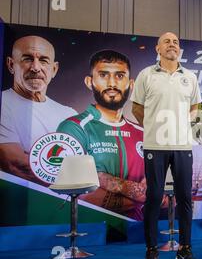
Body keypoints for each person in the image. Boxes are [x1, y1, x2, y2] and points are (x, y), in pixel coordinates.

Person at [57, 50, 159, 220]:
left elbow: (161, 193)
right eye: (103, 75)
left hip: (138, 233)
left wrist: (104, 180)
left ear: (131, 84)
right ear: (90, 82)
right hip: (89, 235)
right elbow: (80, 196)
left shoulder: (143, 133)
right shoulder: (74, 128)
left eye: (120, 76)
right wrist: (141, 195)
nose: (112, 83)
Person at [131, 32, 202, 259]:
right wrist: (154, 127)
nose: (172, 45)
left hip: (183, 146)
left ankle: (185, 250)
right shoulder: (146, 75)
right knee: (153, 197)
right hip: (155, 145)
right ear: (157, 48)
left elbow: (195, 106)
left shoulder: (190, 77)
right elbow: (137, 108)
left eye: (176, 42)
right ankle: (151, 252)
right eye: (167, 42)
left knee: (185, 198)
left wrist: (181, 126)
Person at [0, 35, 77, 182]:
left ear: (54, 69)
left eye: (43, 60)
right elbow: (14, 164)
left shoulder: (69, 114)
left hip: (65, 203)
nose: (35, 67)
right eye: (27, 59)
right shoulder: (3, 103)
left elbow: (87, 166)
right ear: (11, 65)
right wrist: (72, 174)